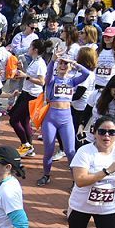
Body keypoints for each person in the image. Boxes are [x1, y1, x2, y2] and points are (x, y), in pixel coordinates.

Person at [38, 56, 92, 185]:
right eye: (61, 63)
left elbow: (86, 73)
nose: (63, 66)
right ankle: (46, 175)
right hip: (51, 118)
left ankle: (75, 179)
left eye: (66, 64)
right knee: (49, 150)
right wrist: (52, 60)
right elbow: (49, 72)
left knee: (70, 151)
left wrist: (75, 63)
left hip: (66, 118)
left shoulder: (72, 81)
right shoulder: (51, 80)